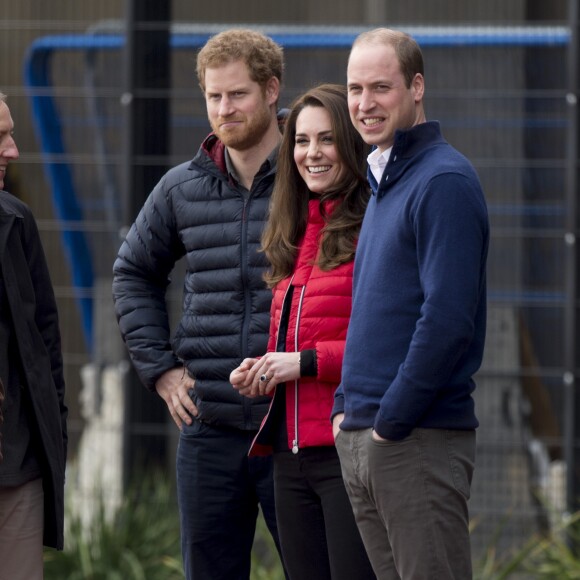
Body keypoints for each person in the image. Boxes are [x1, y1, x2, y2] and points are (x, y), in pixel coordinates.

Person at [112, 29, 287, 580]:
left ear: (272, 90)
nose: (224, 109)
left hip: (293, 427)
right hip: (208, 427)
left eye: (237, 94)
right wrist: (160, 370)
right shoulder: (180, 188)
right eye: (213, 96)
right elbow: (132, 272)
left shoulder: (311, 177)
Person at [331, 28, 490, 580]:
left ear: (417, 87)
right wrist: (345, 410)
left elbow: (447, 320)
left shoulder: (442, 180)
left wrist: (389, 422)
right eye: (355, 88)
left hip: (413, 439)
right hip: (368, 436)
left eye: (381, 87)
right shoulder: (384, 181)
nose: (364, 103)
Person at [230, 84, 375, 580]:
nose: (312, 154)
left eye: (327, 140)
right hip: (289, 457)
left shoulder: (373, 227)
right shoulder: (295, 231)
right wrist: (265, 368)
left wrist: (304, 362)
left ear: (352, 145)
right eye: (301, 141)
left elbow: (382, 343)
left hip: (344, 451)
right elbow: (297, 339)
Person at [0, 92, 68, 579]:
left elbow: (45, 344)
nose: (13, 151)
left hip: (17, 470)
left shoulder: (16, 221)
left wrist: (53, 430)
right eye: (0, 137)